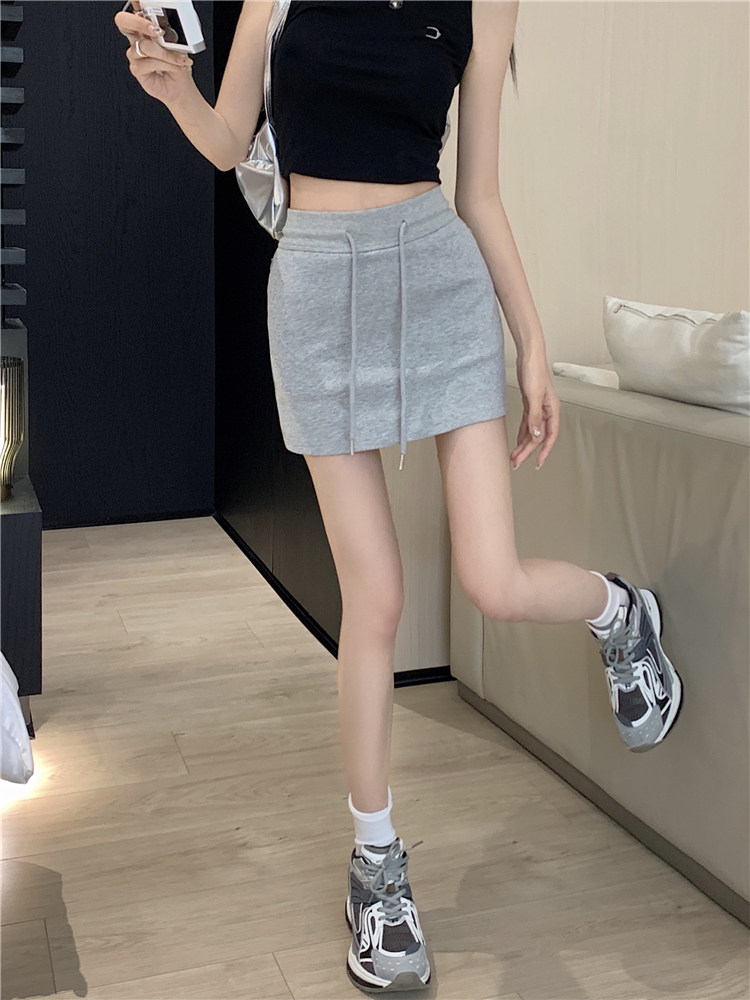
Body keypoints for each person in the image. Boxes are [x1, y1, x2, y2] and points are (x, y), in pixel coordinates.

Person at [114, 1, 684, 993]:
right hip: (315, 289)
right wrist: (174, 89)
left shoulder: (485, 3)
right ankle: (376, 866)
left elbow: (480, 194)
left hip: (438, 278)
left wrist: (532, 343)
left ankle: (619, 610)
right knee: (374, 599)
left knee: (492, 580)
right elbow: (229, 141)